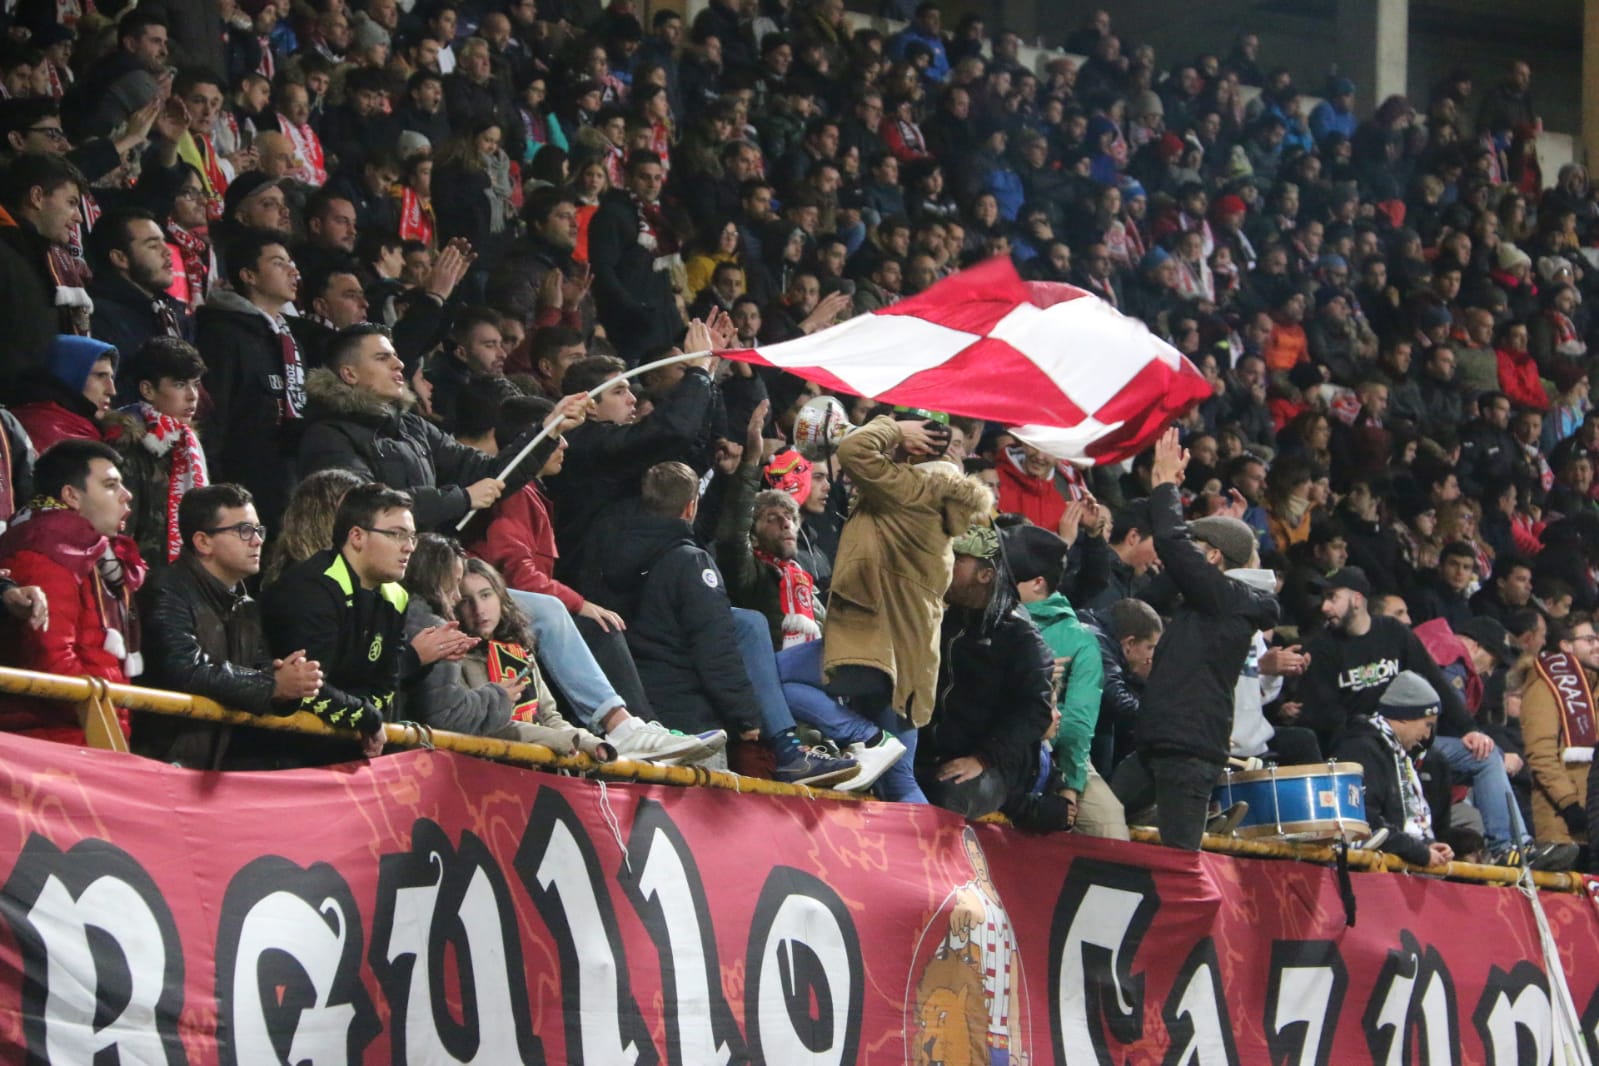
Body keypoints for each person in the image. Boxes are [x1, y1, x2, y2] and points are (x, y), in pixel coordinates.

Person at [602, 460, 859, 786]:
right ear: (691, 505)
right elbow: (715, 643)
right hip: (694, 715)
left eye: (790, 518)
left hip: (647, 708)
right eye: (771, 518)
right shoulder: (700, 564)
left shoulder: (616, 547)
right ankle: (851, 739)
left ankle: (839, 741)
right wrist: (745, 713)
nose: (784, 525)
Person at [1136, 427, 1280, 850]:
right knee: (1099, 818)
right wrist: (1222, 531)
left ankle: (1191, 916)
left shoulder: (1228, 598)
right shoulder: (1212, 597)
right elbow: (1151, 594)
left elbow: (1170, 543)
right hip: (1160, 745)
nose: (1185, 552)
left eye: (1198, 544)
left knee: (1181, 865)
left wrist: (1163, 486)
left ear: (1213, 557)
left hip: (1188, 752)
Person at [259, 482, 473, 765]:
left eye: (412, 536)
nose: (408, 547)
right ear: (357, 536)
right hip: (279, 756)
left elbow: (385, 683)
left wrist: (364, 710)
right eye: (396, 535)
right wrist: (367, 716)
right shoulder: (311, 590)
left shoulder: (395, 596)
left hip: (345, 754)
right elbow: (309, 691)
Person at [822, 412, 993, 732]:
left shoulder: (913, 487)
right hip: (906, 651)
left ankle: (870, 740)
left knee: (783, 677)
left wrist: (895, 428)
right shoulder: (934, 491)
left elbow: (851, 451)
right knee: (898, 779)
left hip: (877, 643)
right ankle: (875, 745)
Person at [137, 483, 323, 767]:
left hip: (210, 770)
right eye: (244, 531)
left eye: (259, 531)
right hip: (155, 762)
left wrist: (288, 687)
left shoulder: (246, 605)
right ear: (203, 542)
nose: (258, 541)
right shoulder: (166, 588)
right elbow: (184, 668)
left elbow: (259, 674)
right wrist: (271, 685)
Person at [399, 534, 612, 759]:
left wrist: (588, 742)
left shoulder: (519, 652)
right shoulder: (450, 648)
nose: (478, 609)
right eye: (465, 600)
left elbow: (550, 718)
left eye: (486, 595)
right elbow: (473, 727)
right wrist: (564, 741)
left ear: (501, 597)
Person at [298, 324, 522, 532]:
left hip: (417, 564)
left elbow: (487, 470)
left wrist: (544, 433)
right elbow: (365, 508)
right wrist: (461, 499)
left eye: (394, 355)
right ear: (349, 374)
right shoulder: (328, 436)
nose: (399, 364)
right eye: (382, 358)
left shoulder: (413, 427)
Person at [0, 439, 143, 746]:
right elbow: (51, 663)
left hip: (87, 734)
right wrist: (105, 723)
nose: (126, 496)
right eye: (110, 485)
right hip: (57, 748)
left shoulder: (90, 552)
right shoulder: (44, 551)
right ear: (71, 495)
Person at [1002, 522, 1127, 839]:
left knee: (1110, 826)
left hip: (1057, 756)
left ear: (1037, 583)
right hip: (996, 748)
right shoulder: (981, 617)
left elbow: (1077, 724)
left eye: (1008, 576)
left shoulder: (1079, 640)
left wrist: (1070, 785)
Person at [195, 228, 307, 527]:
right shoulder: (222, 335)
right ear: (249, 275)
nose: (293, 270)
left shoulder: (288, 337)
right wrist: (217, 490)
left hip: (286, 488)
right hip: (240, 493)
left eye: (291, 262)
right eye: (278, 263)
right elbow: (211, 416)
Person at [101, 338, 209, 568]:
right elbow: (121, 531)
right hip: (144, 581)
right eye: (180, 384)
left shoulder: (187, 443)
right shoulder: (127, 445)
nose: (192, 395)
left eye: (195, 383)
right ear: (148, 389)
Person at [1332, 671, 1456, 870]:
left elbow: (1398, 821)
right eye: (1427, 725)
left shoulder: (1395, 752)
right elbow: (1366, 822)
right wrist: (1419, 852)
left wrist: (1427, 846)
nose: (1426, 735)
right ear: (1406, 716)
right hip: (1366, 874)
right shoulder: (1362, 750)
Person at [1519, 613, 1598, 845]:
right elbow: (1541, 755)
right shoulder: (1545, 686)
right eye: (1589, 640)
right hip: (1565, 823)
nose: (1597, 646)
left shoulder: (1595, 689)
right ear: (1566, 646)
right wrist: (1570, 805)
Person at [85, 207, 189, 382]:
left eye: (164, 242)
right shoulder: (100, 318)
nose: (167, 251)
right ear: (120, 258)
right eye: (153, 245)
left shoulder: (170, 313)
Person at [9, 334, 117, 453]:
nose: (112, 391)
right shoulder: (53, 433)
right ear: (70, 375)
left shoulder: (87, 427)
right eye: (100, 375)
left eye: (111, 377)